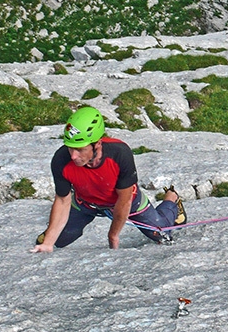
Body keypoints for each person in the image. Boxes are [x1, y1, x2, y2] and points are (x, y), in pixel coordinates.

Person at [31, 106, 186, 252]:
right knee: (60, 240)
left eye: (80, 149)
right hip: (86, 203)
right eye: (70, 147)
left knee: (162, 235)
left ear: (97, 143)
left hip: (126, 202)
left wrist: (113, 234)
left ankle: (171, 200)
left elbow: (124, 201)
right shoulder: (61, 159)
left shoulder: (120, 154)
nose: (73, 156)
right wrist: (48, 243)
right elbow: (63, 200)